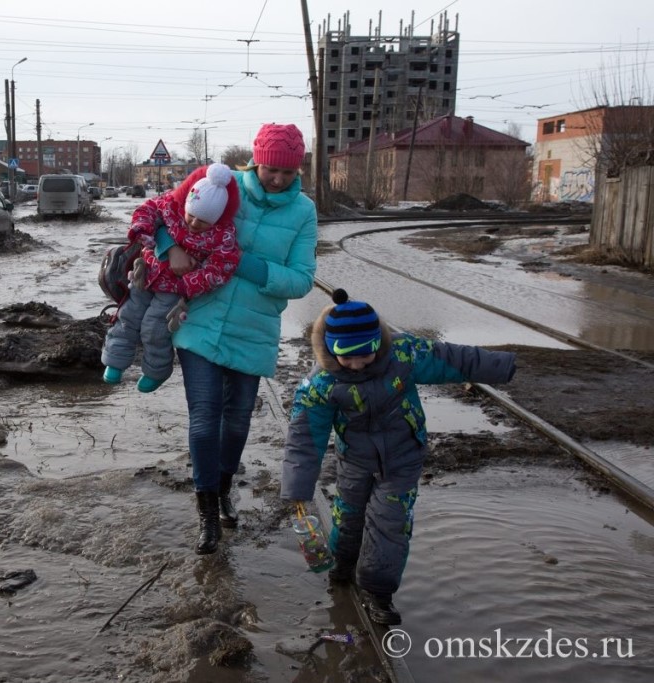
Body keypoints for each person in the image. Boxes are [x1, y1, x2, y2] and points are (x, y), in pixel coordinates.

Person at [280, 289, 517, 625]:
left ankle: (378, 592)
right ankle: (342, 568)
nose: (358, 363)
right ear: (332, 350)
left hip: (402, 457)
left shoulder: (403, 355)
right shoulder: (321, 384)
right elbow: (304, 438)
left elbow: (452, 359)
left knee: (390, 522)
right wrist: (298, 488)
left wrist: (502, 364)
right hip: (355, 461)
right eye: (348, 357)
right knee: (349, 518)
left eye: (366, 354)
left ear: (378, 343)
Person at [155, 123, 318, 554]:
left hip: (255, 329)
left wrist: (240, 263)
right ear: (255, 162)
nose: (277, 179)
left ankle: (224, 485)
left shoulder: (303, 212)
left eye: (286, 172)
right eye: (270, 170)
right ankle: (207, 510)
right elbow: (162, 213)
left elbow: (302, 280)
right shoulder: (223, 186)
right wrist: (167, 248)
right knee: (205, 418)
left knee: (238, 420)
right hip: (201, 319)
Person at [101, 163, 240, 393]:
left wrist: (188, 284)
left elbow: (222, 268)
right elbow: (146, 210)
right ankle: (114, 362)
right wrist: (143, 230)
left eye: (203, 221)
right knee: (128, 316)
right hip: (144, 276)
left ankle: (156, 372)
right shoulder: (171, 205)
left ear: (216, 219)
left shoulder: (223, 235)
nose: (194, 224)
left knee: (154, 328)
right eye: (191, 216)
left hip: (173, 289)